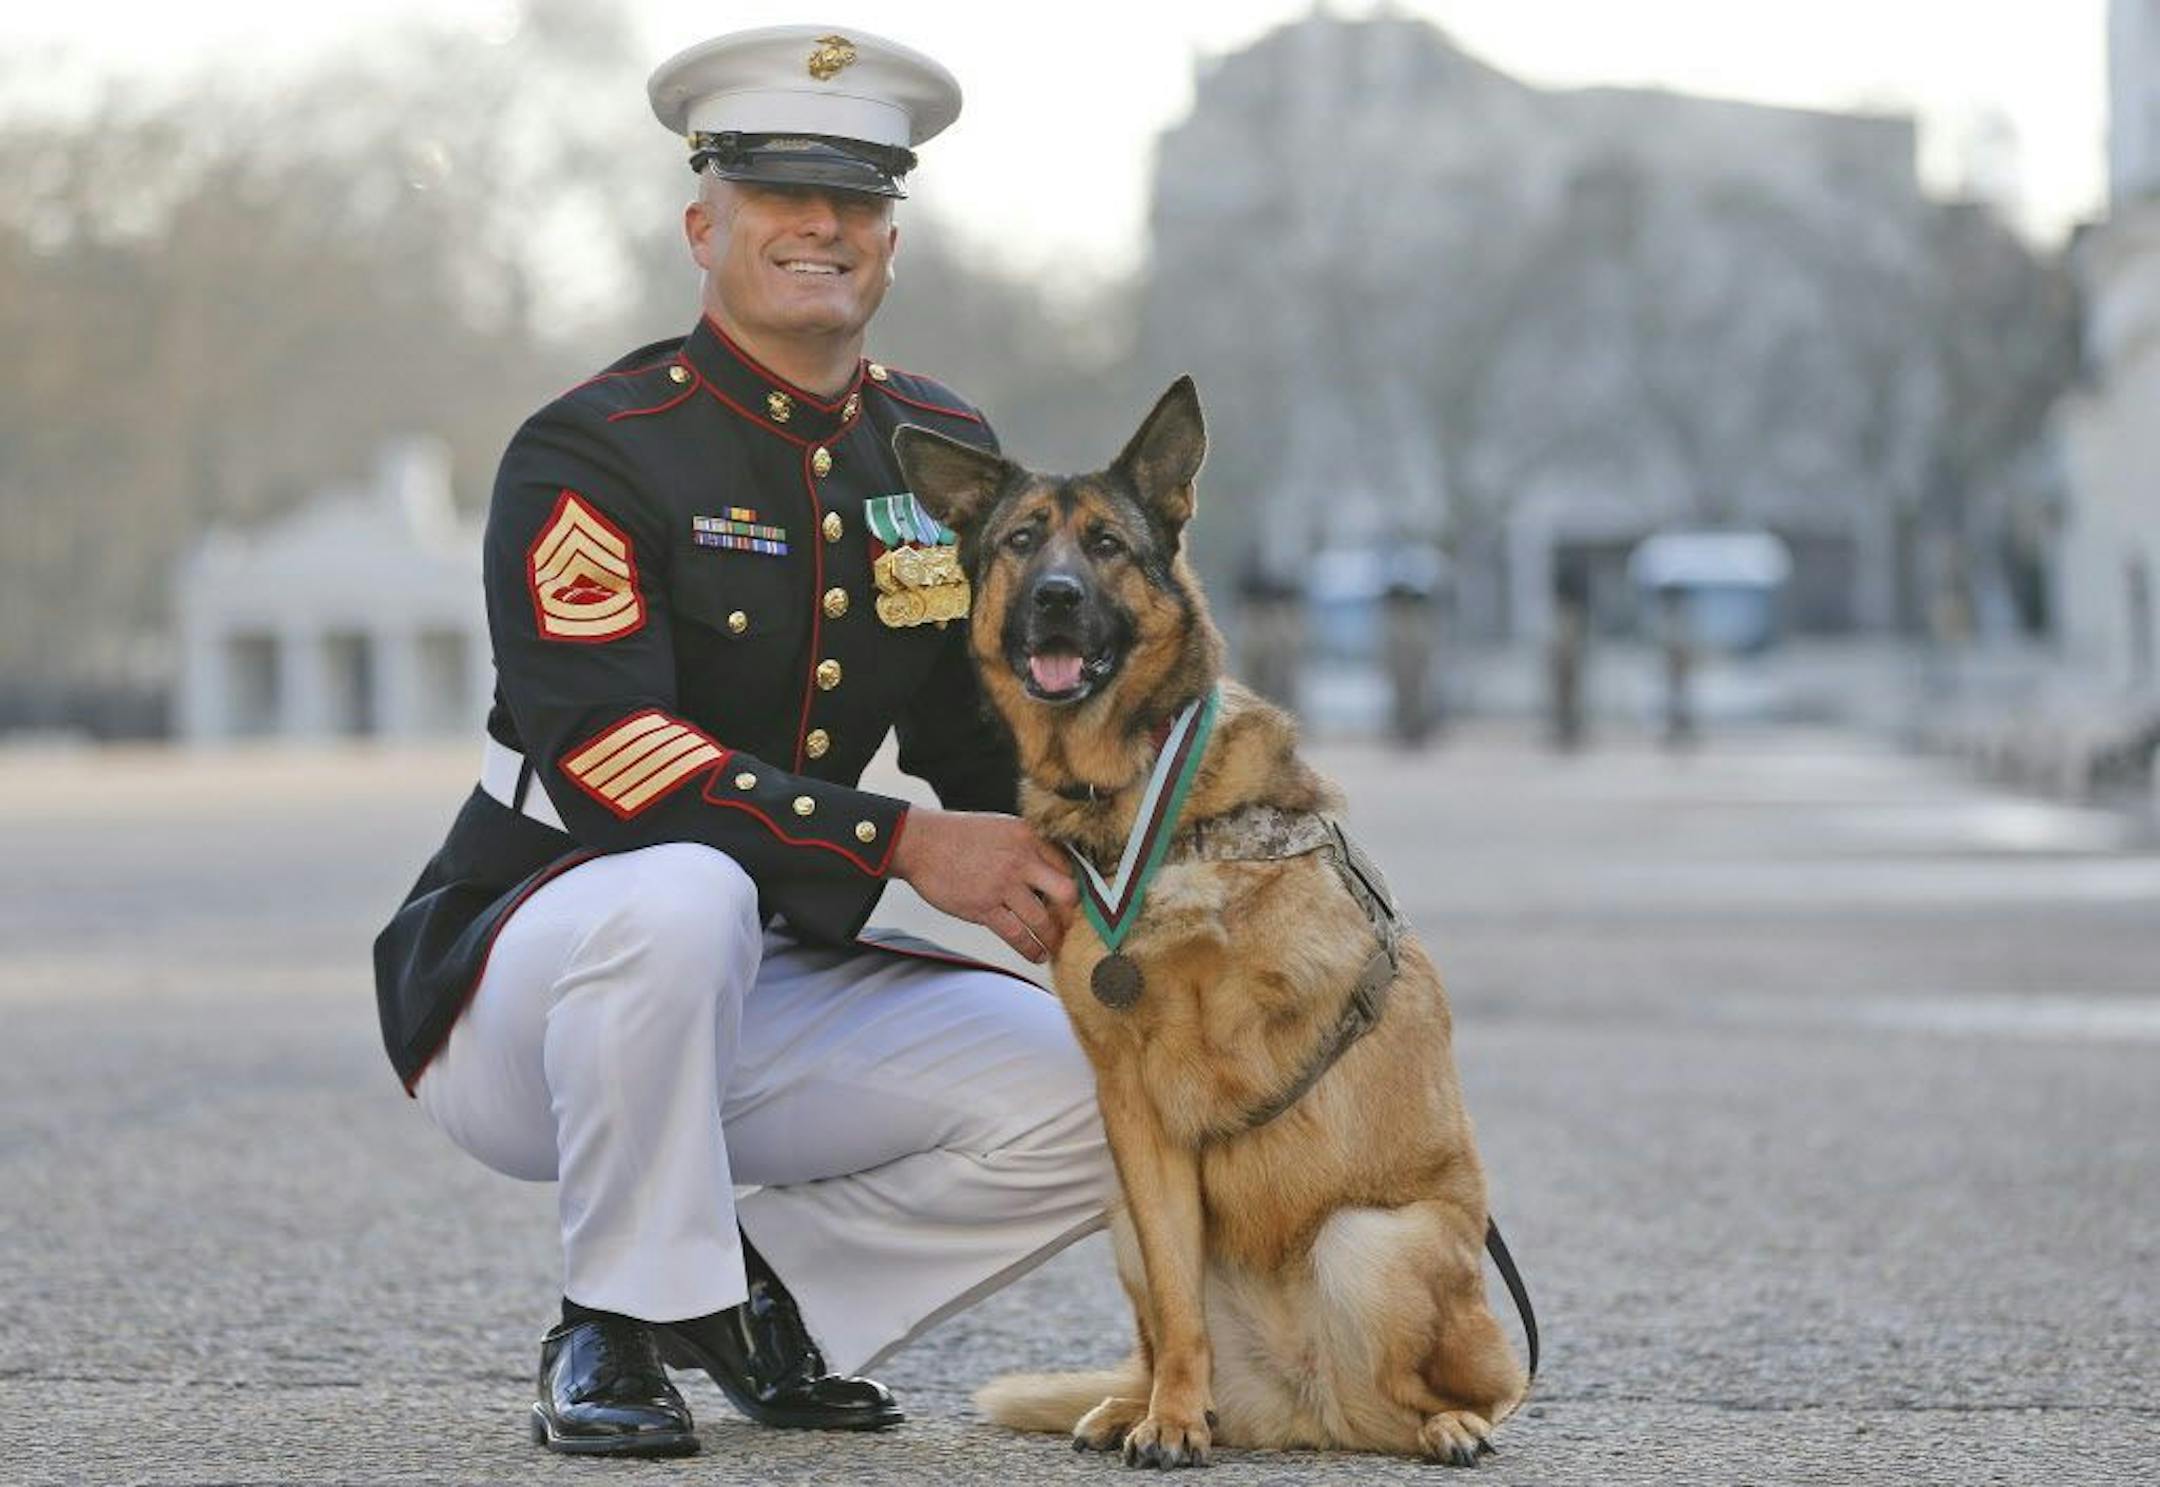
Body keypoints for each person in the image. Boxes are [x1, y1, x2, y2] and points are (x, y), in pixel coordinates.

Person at [371, 25, 1110, 1458]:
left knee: (1103, 1084)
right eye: (781, 195)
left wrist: (1164, 893)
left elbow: (990, 740)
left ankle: (772, 1308)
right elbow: (608, 756)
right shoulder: (596, 446)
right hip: (534, 977)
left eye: (858, 198)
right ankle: (615, 1324)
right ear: (705, 224)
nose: (822, 226)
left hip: (763, 976)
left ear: (893, 238)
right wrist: (903, 846)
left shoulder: (939, 447)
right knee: (681, 890)